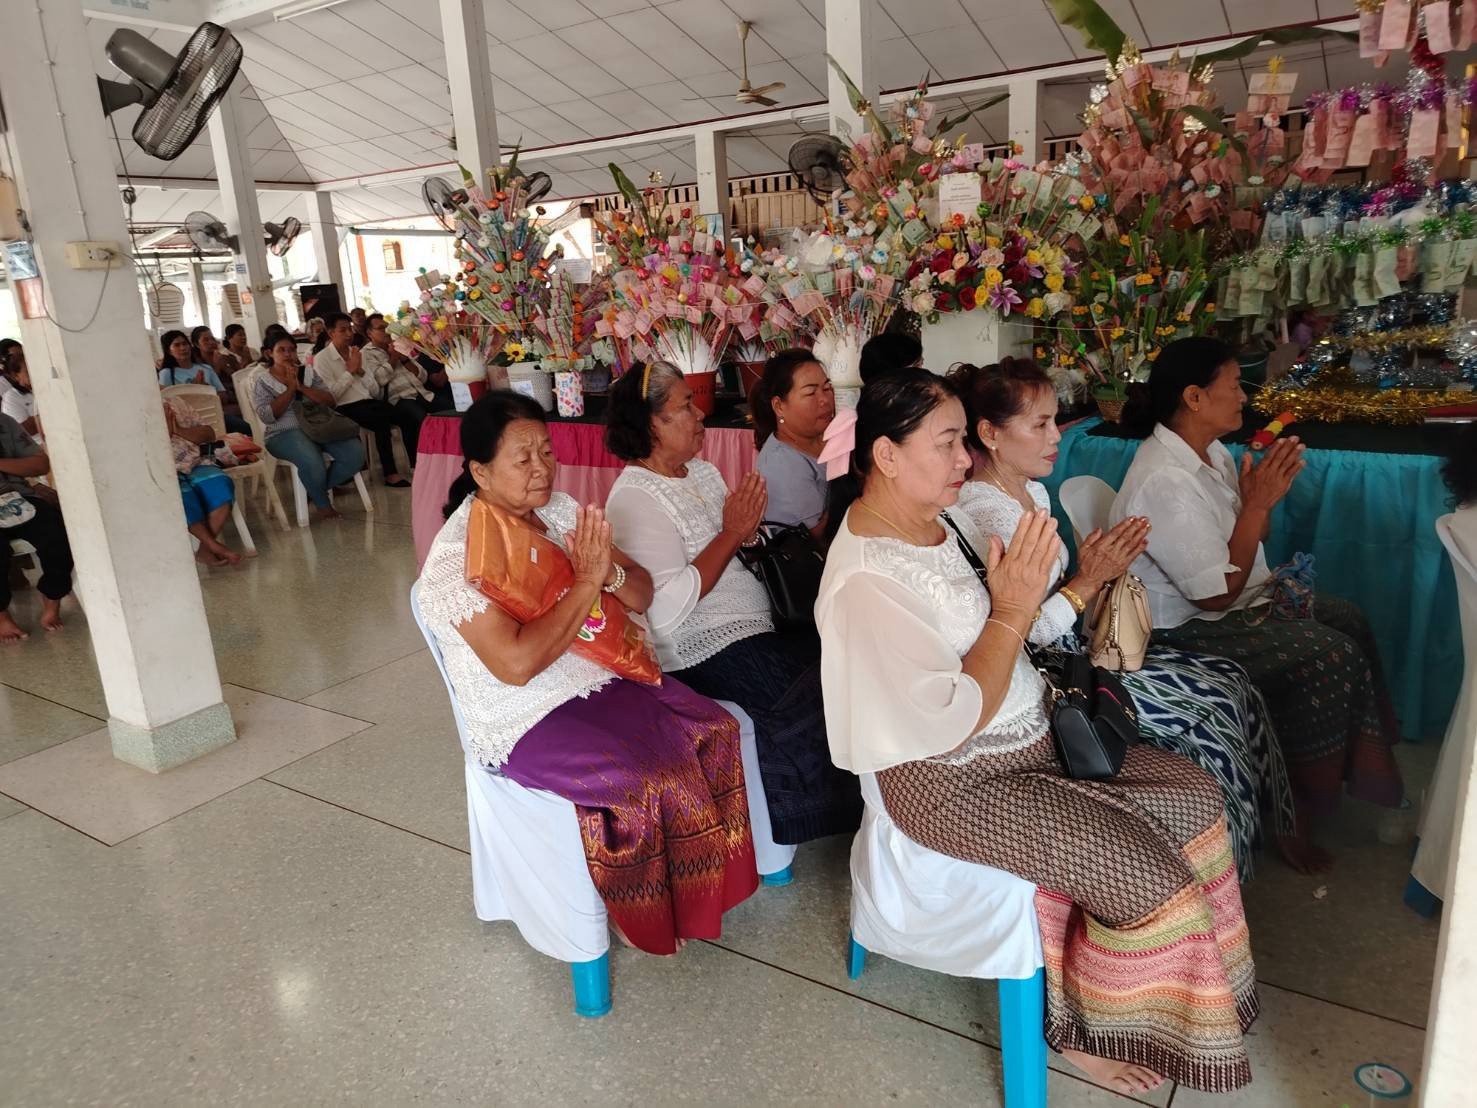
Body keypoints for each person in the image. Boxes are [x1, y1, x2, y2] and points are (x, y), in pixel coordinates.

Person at [815, 369, 1257, 1096]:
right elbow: (951, 721)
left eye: (964, 441)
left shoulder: (945, 525)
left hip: (1032, 739)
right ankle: (1088, 1032)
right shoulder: (868, 578)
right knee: (1144, 874)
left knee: (1193, 797)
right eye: (949, 442)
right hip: (951, 782)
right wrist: (1014, 609)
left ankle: (1169, 995)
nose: (965, 460)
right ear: (886, 455)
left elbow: (1016, 637)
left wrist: (1071, 588)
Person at [416, 391, 758, 954]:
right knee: (644, 780)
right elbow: (518, 665)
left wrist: (608, 577)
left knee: (712, 729)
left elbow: (643, 593)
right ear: (480, 470)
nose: (541, 469)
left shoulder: (560, 512)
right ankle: (642, 917)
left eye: (546, 452)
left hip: (600, 675)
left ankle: (698, 897)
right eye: (522, 459)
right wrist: (585, 582)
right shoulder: (458, 559)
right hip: (525, 713)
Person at [947, 358, 1292, 877]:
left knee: (1233, 679)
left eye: (1054, 420)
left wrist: (1090, 574)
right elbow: (1019, 631)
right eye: (1039, 425)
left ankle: (1269, 833)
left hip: (1070, 651)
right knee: (1214, 707)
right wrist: (1089, 579)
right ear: (991, 434)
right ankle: (1224, 875)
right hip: (1043, 678)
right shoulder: (991, 514)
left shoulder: (1030, 491)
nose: (1055, 437)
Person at [1112, 336, 1404, 871]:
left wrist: (1256, 506)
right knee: (1326, 653)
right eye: (1234, 386)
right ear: (1195, 397)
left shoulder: (1213, 455)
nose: (1244, 398)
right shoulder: (1164, 479)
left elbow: (1245, 548)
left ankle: (1355, 769)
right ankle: (1296, 816)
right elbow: (1215, 592)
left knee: (1348, 618)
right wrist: (1257, 507)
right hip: (1186, 630)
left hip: (1232, 605)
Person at [603, 362, 860, 845]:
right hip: (702, 646)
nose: (700, 414)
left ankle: (860, 798)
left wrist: (752, 536)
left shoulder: (701, 470)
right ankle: (816, 818)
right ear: (652, 423)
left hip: (759, 622)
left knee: (847, 657)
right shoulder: (634, 497)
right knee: (809, 688)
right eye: (684, 406)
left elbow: (737, 552)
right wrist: (731, 533)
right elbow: (665, 608)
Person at [251, 332, 366, 522]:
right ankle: (323, 504)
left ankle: (314, 489)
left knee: (354, 454)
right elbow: (267, 416)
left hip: (319, 426)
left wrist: (301, 388)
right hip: (283, 433)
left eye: (291, 350)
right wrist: (290, 389)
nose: (288, 354)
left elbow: (330, 401)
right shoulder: (262, 380)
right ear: (270, 353)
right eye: (282, 350)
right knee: (311, 459)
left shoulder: (308, 373)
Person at [312, 313, 418, 488]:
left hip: (368, 402)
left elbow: (375, 390)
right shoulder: (322, 359)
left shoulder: (357, 353)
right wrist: (350, 372)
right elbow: (332, 396)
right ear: (331, 333)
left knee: (407, 416)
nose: (349, 334)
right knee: (380, 421)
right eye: (343, 330)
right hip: (343, 407)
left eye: (350, 329)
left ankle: (416, 466)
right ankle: (390, 473)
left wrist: (360, 372)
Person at [0, 412, 74, 641]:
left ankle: (52, 601)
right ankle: (2, 618)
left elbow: (40, 464)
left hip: (17, 498)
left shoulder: (5, 423)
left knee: (56, 534)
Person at [750, 348, 835, 539]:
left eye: (827, 388)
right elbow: (817, 537)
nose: (825, 400)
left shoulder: (829, 435)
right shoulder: (781, 463)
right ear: (779, 406)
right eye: (811, 393)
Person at [164, 395, 242, 567]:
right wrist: (163, 433)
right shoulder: (131, 413)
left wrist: (177, 430)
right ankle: (213, 545)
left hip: (196, 462)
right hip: (164, 469)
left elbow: (209, 433)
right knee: (181, 496)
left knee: (220, 484)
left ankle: (205, 550)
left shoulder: (174, 402)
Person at [157, 330, 250, 436]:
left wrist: (206, 389)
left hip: (213, 414)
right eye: (177, 345)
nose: (183, 348)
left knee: (246, 428)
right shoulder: (167, 373)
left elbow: (223, 396)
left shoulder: (205, 368)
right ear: (169, 351)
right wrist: (194, 390)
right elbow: (168, 403)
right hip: (186, 422)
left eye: (185, 344)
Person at [362, 313, 432, 441]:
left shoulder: (398, 346)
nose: (387, 331)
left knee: (452, 410)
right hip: (398, 400)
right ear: (369, 333)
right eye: (381, 328)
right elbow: (379, 380)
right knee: (423, 420)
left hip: (422, 393)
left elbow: (423, 377)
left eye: (387, 327)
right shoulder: (366, 354)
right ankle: (422, 459)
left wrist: (405, 360)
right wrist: (393, 357)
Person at [190, 325, 248, 430]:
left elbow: (238, 380)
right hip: (217, 403)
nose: (211, 342)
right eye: (206, 340)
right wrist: (216, 368)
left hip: (236, 397)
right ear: (196, 344)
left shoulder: (227, 359)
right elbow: (212, 388)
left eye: (212, 339)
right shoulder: (197, 366)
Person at [1, 342, 40, 441]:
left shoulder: (41, 387)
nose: (33, 373)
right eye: (27, 371)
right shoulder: (11, 398)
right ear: (15, 375)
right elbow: (24, 431)